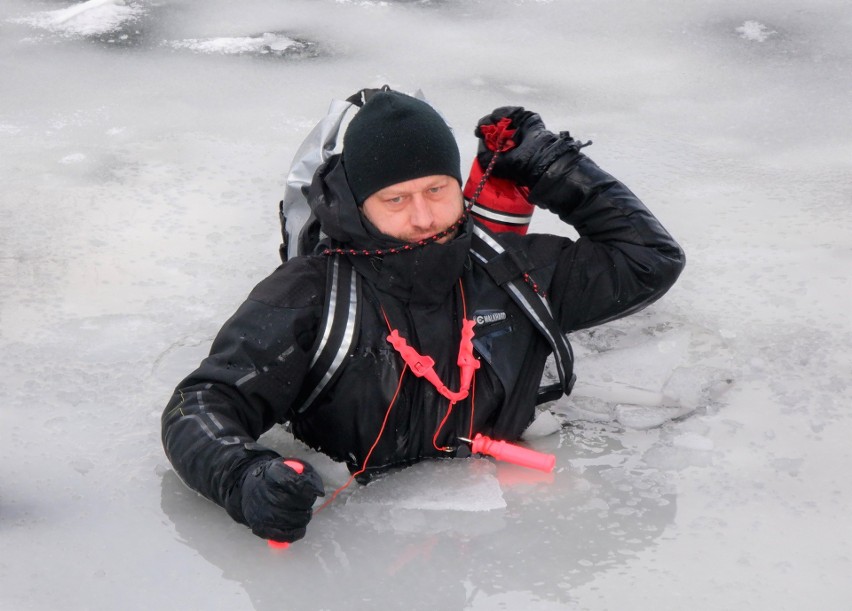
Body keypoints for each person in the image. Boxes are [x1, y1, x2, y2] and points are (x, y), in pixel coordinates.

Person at [161, 89, 685, 544]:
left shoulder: (513, 272)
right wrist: (245, 477)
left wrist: (553, 167)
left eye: (437, 190)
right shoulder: (311, 293)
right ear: (359, 204)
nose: (423, 216)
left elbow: (649, 260)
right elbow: (202, 404)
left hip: (494, 523)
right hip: (361, 548)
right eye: (396, 199)